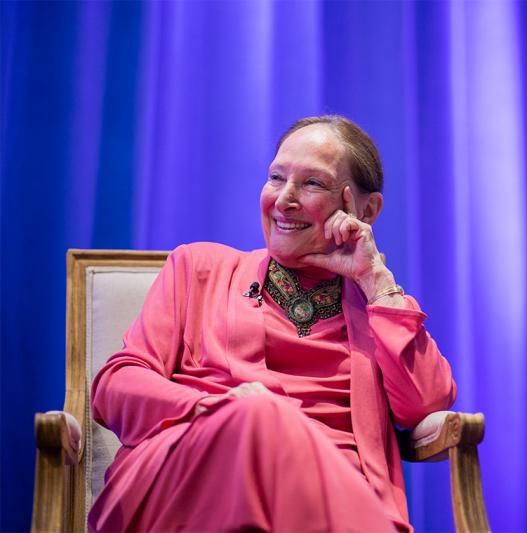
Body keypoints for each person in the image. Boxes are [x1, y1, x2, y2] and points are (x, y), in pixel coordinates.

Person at [88, 115, 457, 532]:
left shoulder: (378, 308)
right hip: (190, 478)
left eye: (312, 183)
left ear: (366, 210)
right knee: (259, 416)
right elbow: (117, 384)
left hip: (329, 504)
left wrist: (376, 281)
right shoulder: (199, 268)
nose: (284, 199)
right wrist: (216, 412)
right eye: (276, 177)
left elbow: (428, 406)